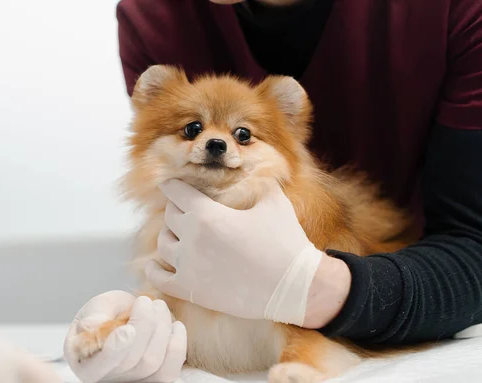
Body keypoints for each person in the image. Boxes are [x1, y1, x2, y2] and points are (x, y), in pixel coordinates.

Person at [64, 0, 482, 381]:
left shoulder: (454, 11)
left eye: (242, 135)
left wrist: (323, 287)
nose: (214, 142)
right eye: (194, 130)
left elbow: (473, 243)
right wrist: (135, 317)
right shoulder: (152, 15)